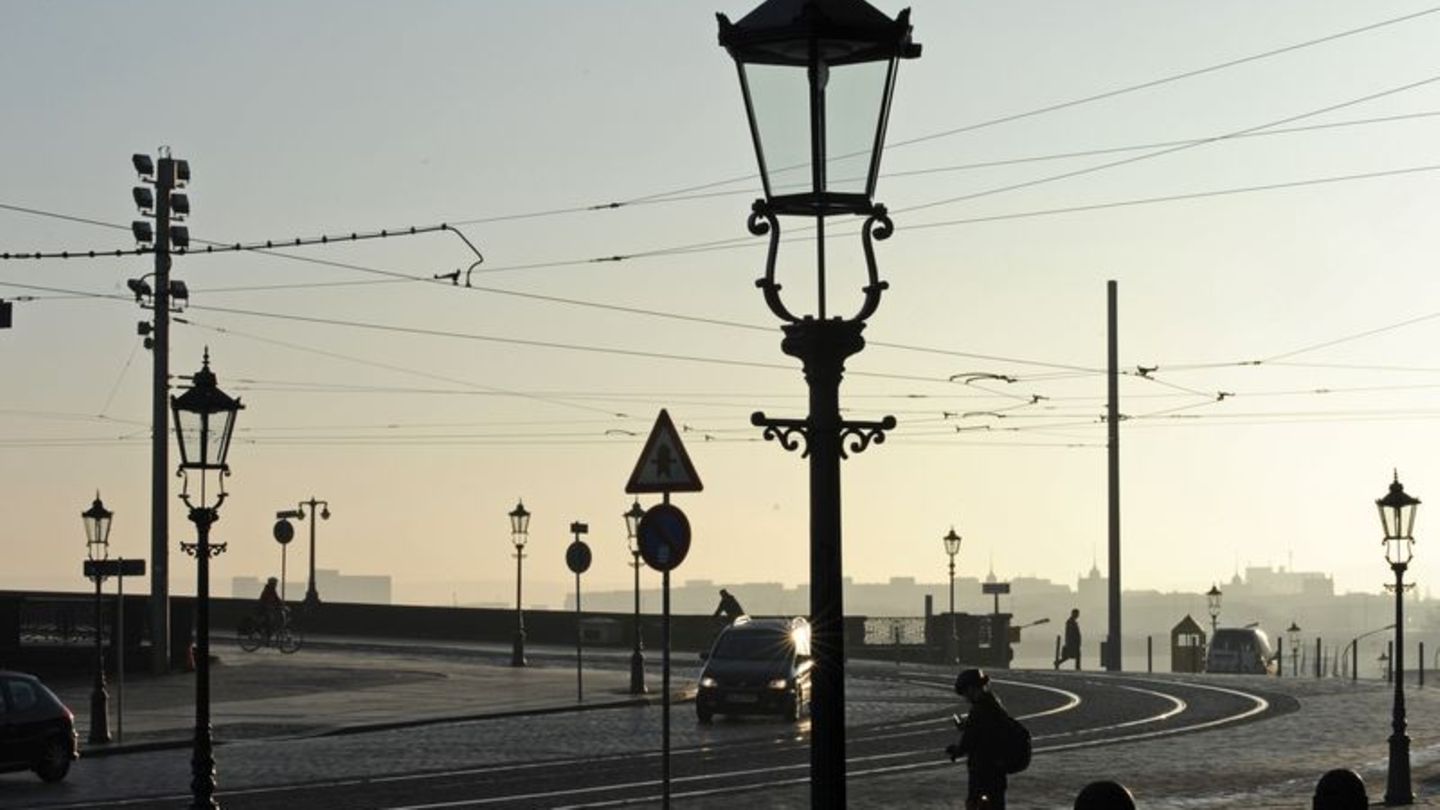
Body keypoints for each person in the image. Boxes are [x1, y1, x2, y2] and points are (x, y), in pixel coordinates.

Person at [945, 668, 1012, 809]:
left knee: (977, 805)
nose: (965, 697)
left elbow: (969, 741)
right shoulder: (994, 702)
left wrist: (956, 751)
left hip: (982, 772)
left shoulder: (979, 709)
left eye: (965, 693)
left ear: (971, 689)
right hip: (998, 772)